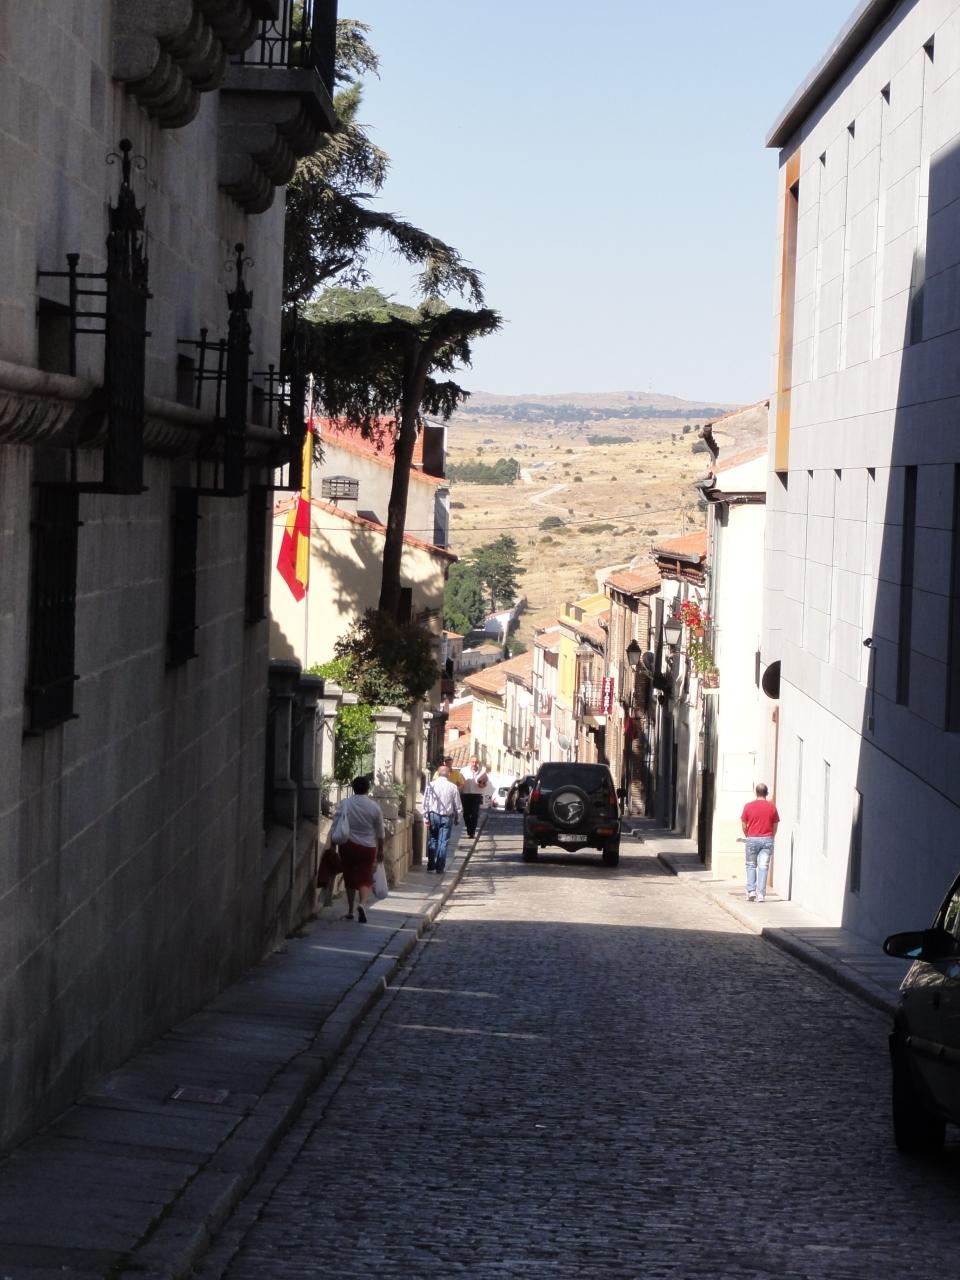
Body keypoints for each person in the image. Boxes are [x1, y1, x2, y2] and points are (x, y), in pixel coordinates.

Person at [333, 776, 385, 923]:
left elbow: (336, 823)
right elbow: (380, 832)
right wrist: (381, 850)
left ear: (353, 788)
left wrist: (332, 844)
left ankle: (350, 910)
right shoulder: (374, 807)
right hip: (368, 847)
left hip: (348, 845)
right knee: (365, 876)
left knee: (349, 875)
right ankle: (362, 904)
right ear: (368, 788)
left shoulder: (345, 803)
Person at [740, 782, 780, 903]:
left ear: (756, 792)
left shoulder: (748, 806)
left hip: (752, 838)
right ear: (766, 793)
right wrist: (771, 836)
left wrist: (747, 835)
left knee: (751, 865)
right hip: (767, 839)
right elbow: (775, 825)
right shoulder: (772, 807)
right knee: (763, 866)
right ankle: (761, 894)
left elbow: (743, 823)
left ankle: (751, 891)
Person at [423, 764, 463, 874]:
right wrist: (458, 818)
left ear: (437, 773)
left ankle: (431, 865)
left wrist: (425, 816)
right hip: (446, 817)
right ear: (449, 774)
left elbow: (426, 802)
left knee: (432, 839)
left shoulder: (431, 785)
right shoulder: (453, 787)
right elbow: (457, 804)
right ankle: (440, 867)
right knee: (443, 842)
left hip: (433, 815)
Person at [459, 756, 488, 838]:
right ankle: (469, 829)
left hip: (477, 794)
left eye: (476, 762)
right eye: (473, 762)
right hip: (465, 793)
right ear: (470, 762)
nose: (474, 764)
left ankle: (472, 832)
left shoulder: (482, 770)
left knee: (475, 814)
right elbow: (460, 781)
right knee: (466, 814)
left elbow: (485, 782)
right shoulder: (463, 770)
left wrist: (482, 784)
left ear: (478, 762)